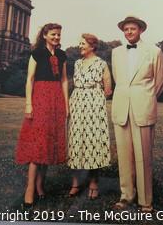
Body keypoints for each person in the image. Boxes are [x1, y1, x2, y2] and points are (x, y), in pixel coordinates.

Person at [111, 16, 163, 212]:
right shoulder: (116, 52)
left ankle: (145, 201)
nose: (129, 32)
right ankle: (126, 196)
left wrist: (145, 97)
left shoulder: (155, 51)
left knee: (143, 157)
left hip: (143, 108)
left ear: (140, 30)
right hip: (121, 108)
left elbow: (159, 83)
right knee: (124, 157)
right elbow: (119, 80)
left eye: (132, 29)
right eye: (126, 29)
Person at [15, 23, 69, 209]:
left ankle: (40, 185)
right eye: (53, 34)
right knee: (38, 143)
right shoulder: (36, 53)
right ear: (45, 35)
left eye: (59, 35)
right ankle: (30, 188)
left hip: (56, 101)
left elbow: (63, 80)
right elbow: (29, 79)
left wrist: (66, 104)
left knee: (48, 142)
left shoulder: (62, 55)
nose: (56, 37)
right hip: (40, 98)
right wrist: (29, 104)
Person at [67, 33, 112, 200]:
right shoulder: (77, 63)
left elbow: (108, 88)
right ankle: (75, 183)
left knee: (94, 142)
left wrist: (96, 98)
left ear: (92, 46)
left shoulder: (101, 63)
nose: (80, 46)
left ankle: (94, 182)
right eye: (80, 43)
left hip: (95, 105)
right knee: (76, 140)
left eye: (83, 44)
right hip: (77, 102)